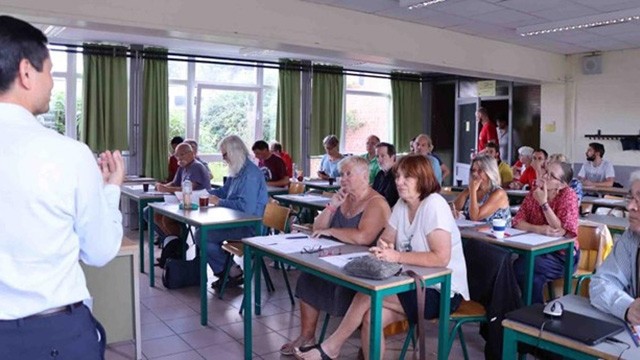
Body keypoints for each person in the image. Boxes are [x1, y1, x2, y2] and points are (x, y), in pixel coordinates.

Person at [0, 16, 124, 358]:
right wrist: (110, 188)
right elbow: (98, 251)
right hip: (51, 336)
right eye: (50, 72)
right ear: (26, 72)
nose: (52, 84)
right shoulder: (66, 154)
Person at [294, 155, 469, 360]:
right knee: (371, 318)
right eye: (398, 176)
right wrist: (383, 248)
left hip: (441, 290)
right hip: (410, 282)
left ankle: (331, 348)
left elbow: (441, 258)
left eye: (407, 177)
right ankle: (333, 349)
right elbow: (385, 239)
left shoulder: (434, 205)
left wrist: (395, 256)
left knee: (368, 295)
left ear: (422, 179)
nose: (399, 182)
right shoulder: (402, 205)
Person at [280, 157, 391, 356]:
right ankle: (307, 336)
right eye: (341, 174)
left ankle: (332, 345)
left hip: (361, 270)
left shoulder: (376, 203)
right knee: (308, 277)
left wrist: (332, 231)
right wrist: (332, 206)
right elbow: (318, 229)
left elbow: (363, 237)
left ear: (365, 176)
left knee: (329, 282)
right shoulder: (343, 198)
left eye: (349, 174)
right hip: (337, 260)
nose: (343, 179)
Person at [205, 135, 269, 288]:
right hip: (236, 220)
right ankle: (229, 271)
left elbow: (247, 208)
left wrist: (219, 202)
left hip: (251, 226)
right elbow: (224, 191)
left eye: (225, 155)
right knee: (203, 233)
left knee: (203, 235)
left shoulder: (250, 174)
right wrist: (205, 193)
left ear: (234, 152)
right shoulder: (238, 169)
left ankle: (230, 272)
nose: (223, 158)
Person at [512, 161, 579, 304]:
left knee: (520, 266)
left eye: (551, 176)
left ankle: (526, 312)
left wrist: (543, 203)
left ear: (561, 185)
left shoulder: (568, 196)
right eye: (545, 171)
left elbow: (562, 231)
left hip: (562, 256)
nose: (545, 176)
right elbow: (517, 222)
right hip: (536, 251)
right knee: (532, 278)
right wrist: (539, 229)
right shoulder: (535, 191)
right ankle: (533, 315)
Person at [590, 171, 640, 322]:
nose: (630, 206)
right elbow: (600, 283)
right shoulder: (631, 238)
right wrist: (627, 307)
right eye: (631, 197)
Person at [153, 142, 212, 239]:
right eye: (177, 155)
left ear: (191, 154)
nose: (179, 158)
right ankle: (171, 242)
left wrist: (166, 189)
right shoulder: (182, 166)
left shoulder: (197, 166)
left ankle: (180, 245)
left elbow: (188, 189)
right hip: (183, 201)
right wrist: (161, 186)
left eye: (182, 154)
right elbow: (174, 183)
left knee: (167, 219)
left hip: (198, 204)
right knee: (156, 215)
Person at [452, 154, 511, 224]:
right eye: (473, 170)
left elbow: (475, 217)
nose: (475, 174)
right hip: (473, 232)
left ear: (489, 172)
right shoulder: (472, 189)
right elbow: (453, 208)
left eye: (480, 171)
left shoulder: (498, 193)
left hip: (496, 233)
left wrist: (472, 190)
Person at [372, 142, 399, 207]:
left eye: (382, 156)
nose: (379, 160)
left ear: (393, 157)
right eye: (377, 156)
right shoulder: (380, 174)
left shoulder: (399, 175)